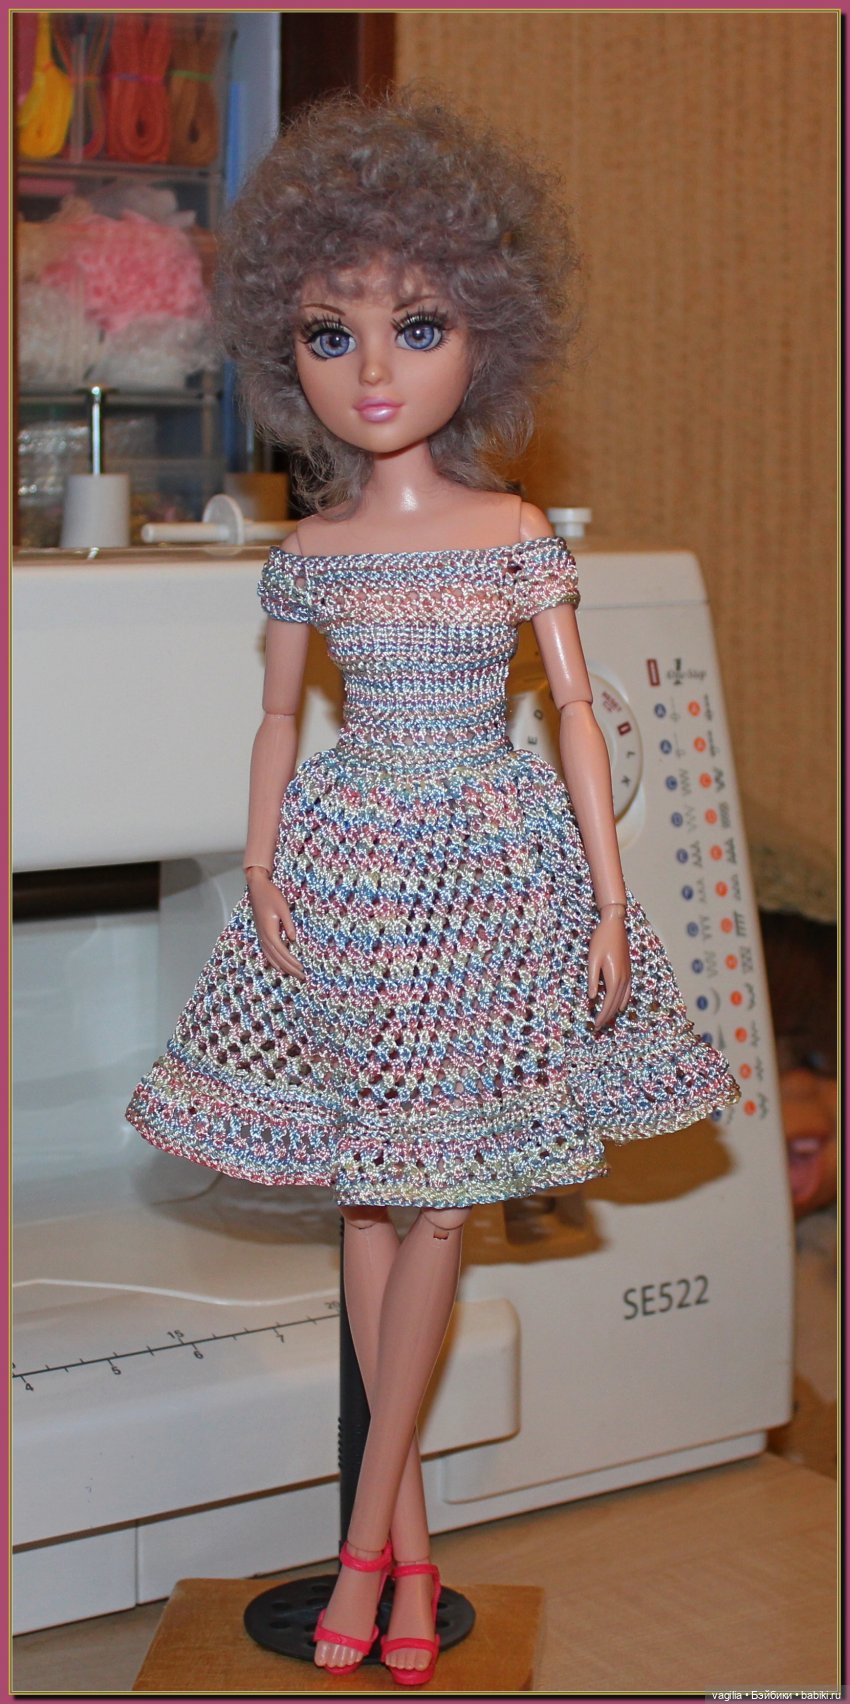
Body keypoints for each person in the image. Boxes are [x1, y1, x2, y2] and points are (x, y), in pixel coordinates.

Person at [126, 89, 740, 1685]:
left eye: (417, 325)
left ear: (488, 332)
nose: (376, 370)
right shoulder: (308, 555)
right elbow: (277, 720)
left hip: (488, 874)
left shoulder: (512, 532)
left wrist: (608, 900)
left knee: (443, 1200)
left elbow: (576, 715)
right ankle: (400, 1555)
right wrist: (265, 863)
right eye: (330, 336)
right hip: (346, 876)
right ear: (286, 356)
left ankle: (365, 1544)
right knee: (367, 1190)